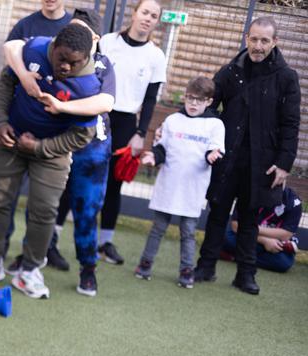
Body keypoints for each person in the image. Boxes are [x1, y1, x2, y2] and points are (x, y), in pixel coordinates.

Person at [0, 23, 99, 300]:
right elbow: (6, 81)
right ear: (53, 47)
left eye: (74, 63)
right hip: (9, 140)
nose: (65, 67)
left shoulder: (90, 84)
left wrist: (39, 147)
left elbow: (82, 134)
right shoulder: (34, 49)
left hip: (52, 153)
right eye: (61, 58)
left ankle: (30, 271)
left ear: (86, 58)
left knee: (44, 210)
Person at [1, 8, 115, 297]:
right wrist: (24, 75)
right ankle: (34, 257)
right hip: (52, 142)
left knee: (86, 209)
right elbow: (13, 47)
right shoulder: (52, 54)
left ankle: (88, 268)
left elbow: (105, 102)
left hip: (91, 147)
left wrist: (64, 107)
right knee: (43, 204)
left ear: (96, 40)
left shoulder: (102, 66)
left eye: (83, 34)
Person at [193, 16, 302, 295]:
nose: (258, 45)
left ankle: (246, 275)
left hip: (263, 164)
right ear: (247, 39)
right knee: (217, 212)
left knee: (250, 220)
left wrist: (283, 163)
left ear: (275, 42)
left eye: (265, 40)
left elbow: (291, 124)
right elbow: (209, 106)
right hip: (227, 157)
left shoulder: (287, 77)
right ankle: (205, 267)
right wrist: (207, 140)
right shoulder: (231, 71)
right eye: (254, 39)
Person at [134, 77, 225, 288]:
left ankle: (186, 271)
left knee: (188, 232)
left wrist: (212, 156)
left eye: (199, 100)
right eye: (190, 98)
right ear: (184, 97)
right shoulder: (173, 120)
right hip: (168, 185)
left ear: (209, 101)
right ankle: (145, 265)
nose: (193, 104)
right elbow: (162, 149)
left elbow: (215, 151)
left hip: (192, 189)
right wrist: (153, 157)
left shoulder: (215, 125)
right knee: (158, 228)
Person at [97, 0, 166, 265]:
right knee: (80, 175)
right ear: (134, 13)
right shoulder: (107, 42)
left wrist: (140, 133)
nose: (148, 18)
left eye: (154, 15)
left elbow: (150, 100)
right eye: (145, 12)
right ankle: (54, 238)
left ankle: (105, 244)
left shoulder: (155, 56)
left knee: (114, 185)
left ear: (157, 21)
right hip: (98, 114)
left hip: (126, 123)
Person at [221, 186, 301, 274]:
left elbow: (286, 234)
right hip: (250, 238)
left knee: (283, 262)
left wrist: (251, 228)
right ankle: (243, 257)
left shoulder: (293, 201)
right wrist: (264, 241)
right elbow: (236, 226)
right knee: (225, 238)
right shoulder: (248, 192)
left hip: (274, 244)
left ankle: (234, 256)